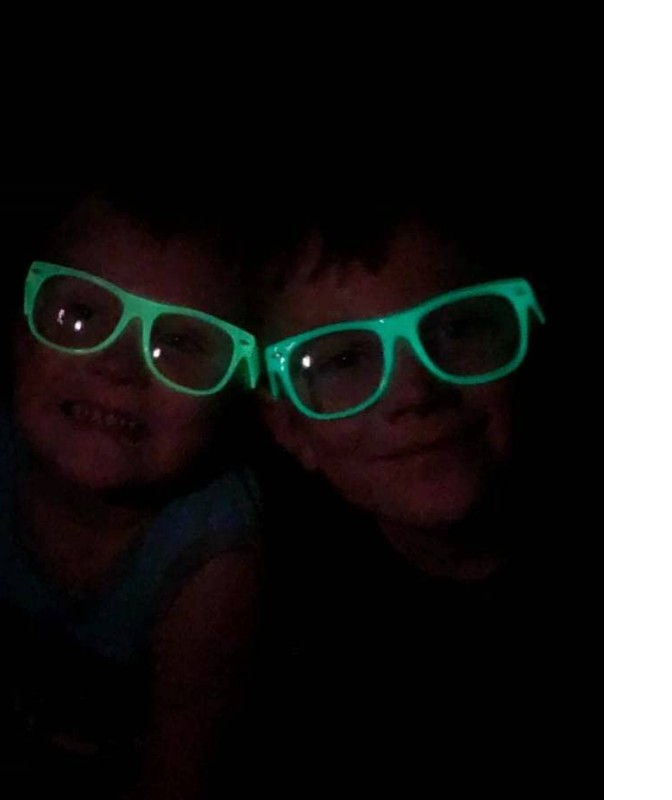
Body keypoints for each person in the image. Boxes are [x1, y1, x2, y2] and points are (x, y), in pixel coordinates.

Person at [245, 198, 580, 797]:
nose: (416, 392)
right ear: (289, 429)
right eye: (344, 359)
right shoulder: (279, 623)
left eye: (458, 328)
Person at [0, 186, 262, 799]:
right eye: (81, 314)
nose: (118, 366)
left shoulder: (211, 567)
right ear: (19, 335)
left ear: (235, 397)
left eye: (182, 344)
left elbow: (178, 772)